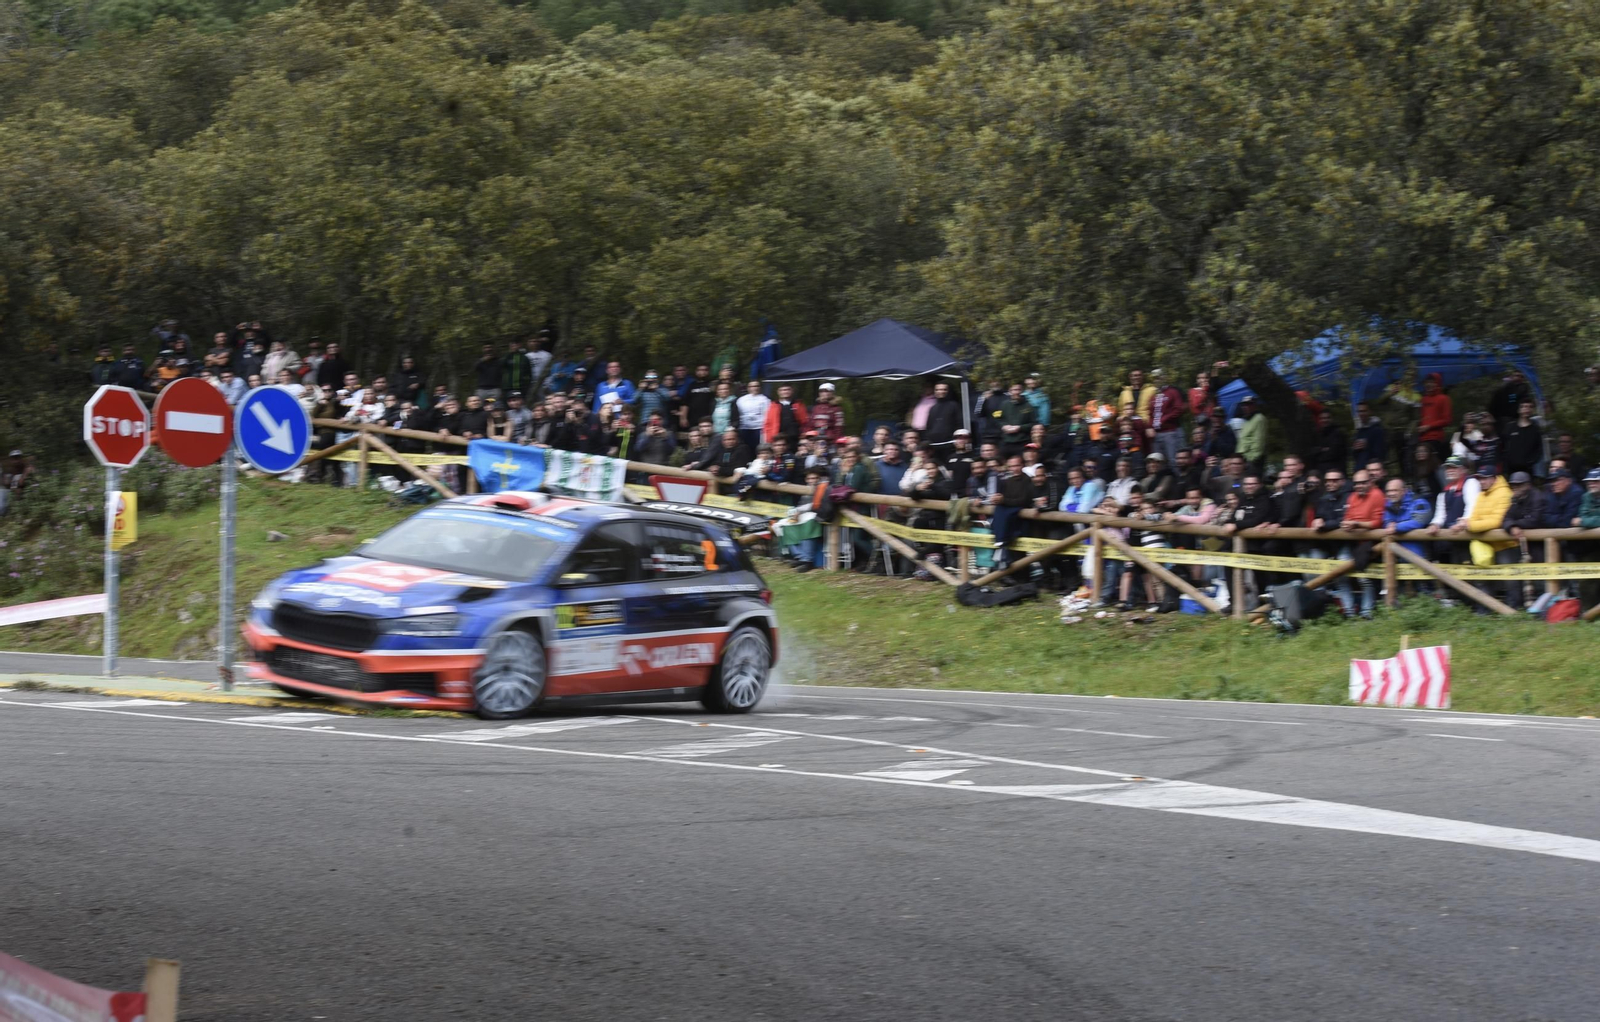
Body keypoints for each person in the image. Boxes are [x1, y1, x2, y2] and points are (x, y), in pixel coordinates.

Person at [1149, 370, 1186, 467]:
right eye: (1154, 378)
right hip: (1156, 434)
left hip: (1170, 432)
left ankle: (1179, 480)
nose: (1157, 380)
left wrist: (1164, 419)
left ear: (1164, 378)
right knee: (1158, 461)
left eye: (1159, 377)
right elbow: (1150, 413)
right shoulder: (1153, 396)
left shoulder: (1172, 392)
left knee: (1173, 460)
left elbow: (1178, 409)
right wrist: (1149, 426)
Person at [1500, 400, 1542, 477]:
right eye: (1524, 406)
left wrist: (1530, 462)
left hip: (1527, 470)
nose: (1527, 409)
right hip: (1509, 469)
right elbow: (1502, 445)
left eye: (1530, 407)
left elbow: (1539, 449)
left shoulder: (1536, 429)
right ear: (1519, 409)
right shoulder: (1510, 427)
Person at [762, 383, 809, 449]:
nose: (785, 392)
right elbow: (768, 423)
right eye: (783, 390)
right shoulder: (774, 405)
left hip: (795, 438)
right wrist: (769, 439)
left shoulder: (798, 404)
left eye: (788, 389)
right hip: (778, 438)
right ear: (778, 392)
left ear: (792, 391)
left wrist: (804, 436)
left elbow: (805, 422)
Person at [1418, 373, 1453, 456]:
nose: (1429, 384)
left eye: (1432, 382)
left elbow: (1447, 420)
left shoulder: (1444, 398)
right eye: (1427, 382)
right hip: (1421, 438)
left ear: (1437, 383)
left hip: (1436, 438)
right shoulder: (1422, 399)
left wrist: (1429, 426)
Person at [924, 381, 963, 449]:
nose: (940, 391)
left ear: (948, 391)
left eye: (943, 389)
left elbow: (959, 423)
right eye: (937, 389)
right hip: (934, 444)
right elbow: (929, 426)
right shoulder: (933, 408)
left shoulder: (954, 405)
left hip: (950, 443)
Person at [1351, 402, 1387, 472]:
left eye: (1364, 411)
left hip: (1372, 471)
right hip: (1359, 469)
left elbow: (1380, 454)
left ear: (1370, 412)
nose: (1361, 414)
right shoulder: (1359, 431)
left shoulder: (1378, 430)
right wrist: (1355, 449)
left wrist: (1366, 446)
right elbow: (1356, 456)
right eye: (1359, 411)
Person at [735, 379, 769, 453]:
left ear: (759, 387)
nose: (755, 388)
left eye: (756, 386)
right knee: (745, 449)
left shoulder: (765, 399)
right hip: (744, 428)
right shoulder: (741, 400)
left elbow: (767, 415)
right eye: (752, 386)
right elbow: (738, 413)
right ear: (748, 388)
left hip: (758, 428)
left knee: (758, 449)